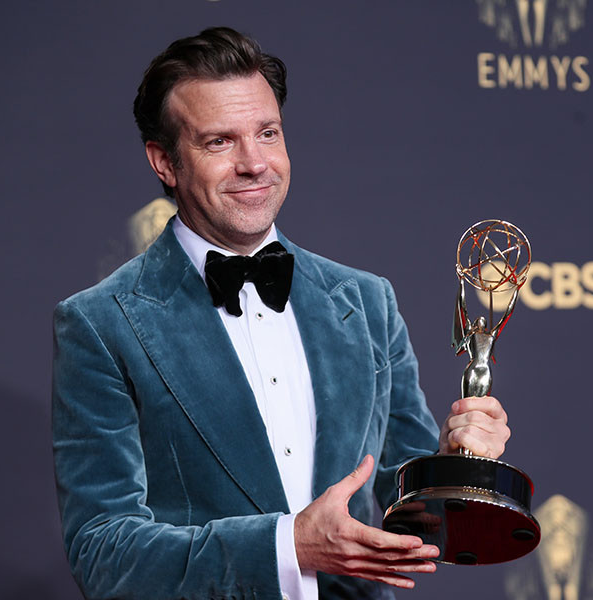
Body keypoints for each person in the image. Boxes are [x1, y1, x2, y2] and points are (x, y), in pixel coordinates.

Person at [52, 27, 511, 600]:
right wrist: (287, 546)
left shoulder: (367, 301)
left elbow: (408, 509)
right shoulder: (102, 324)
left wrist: (458, 465)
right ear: (165, 162)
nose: (254, 164)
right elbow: (103, 554)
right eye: (219, 142)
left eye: (267, 134)